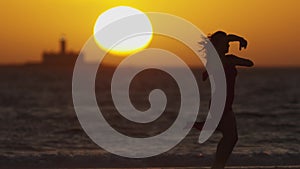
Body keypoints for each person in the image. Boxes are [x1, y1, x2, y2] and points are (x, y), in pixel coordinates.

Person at [193, 31, 254, 169]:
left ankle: (218, 164)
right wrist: (235, 54)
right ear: (217, 46)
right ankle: (218, 166)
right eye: (225, 43)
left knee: (230, 136)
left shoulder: (215, 59)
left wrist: (239, 38)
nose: (228, 45)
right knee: (230, 137)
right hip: (220, 104)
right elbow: (249, 63)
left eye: (228, 43)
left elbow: (248, 63)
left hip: (224, 103)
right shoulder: (223, 60)